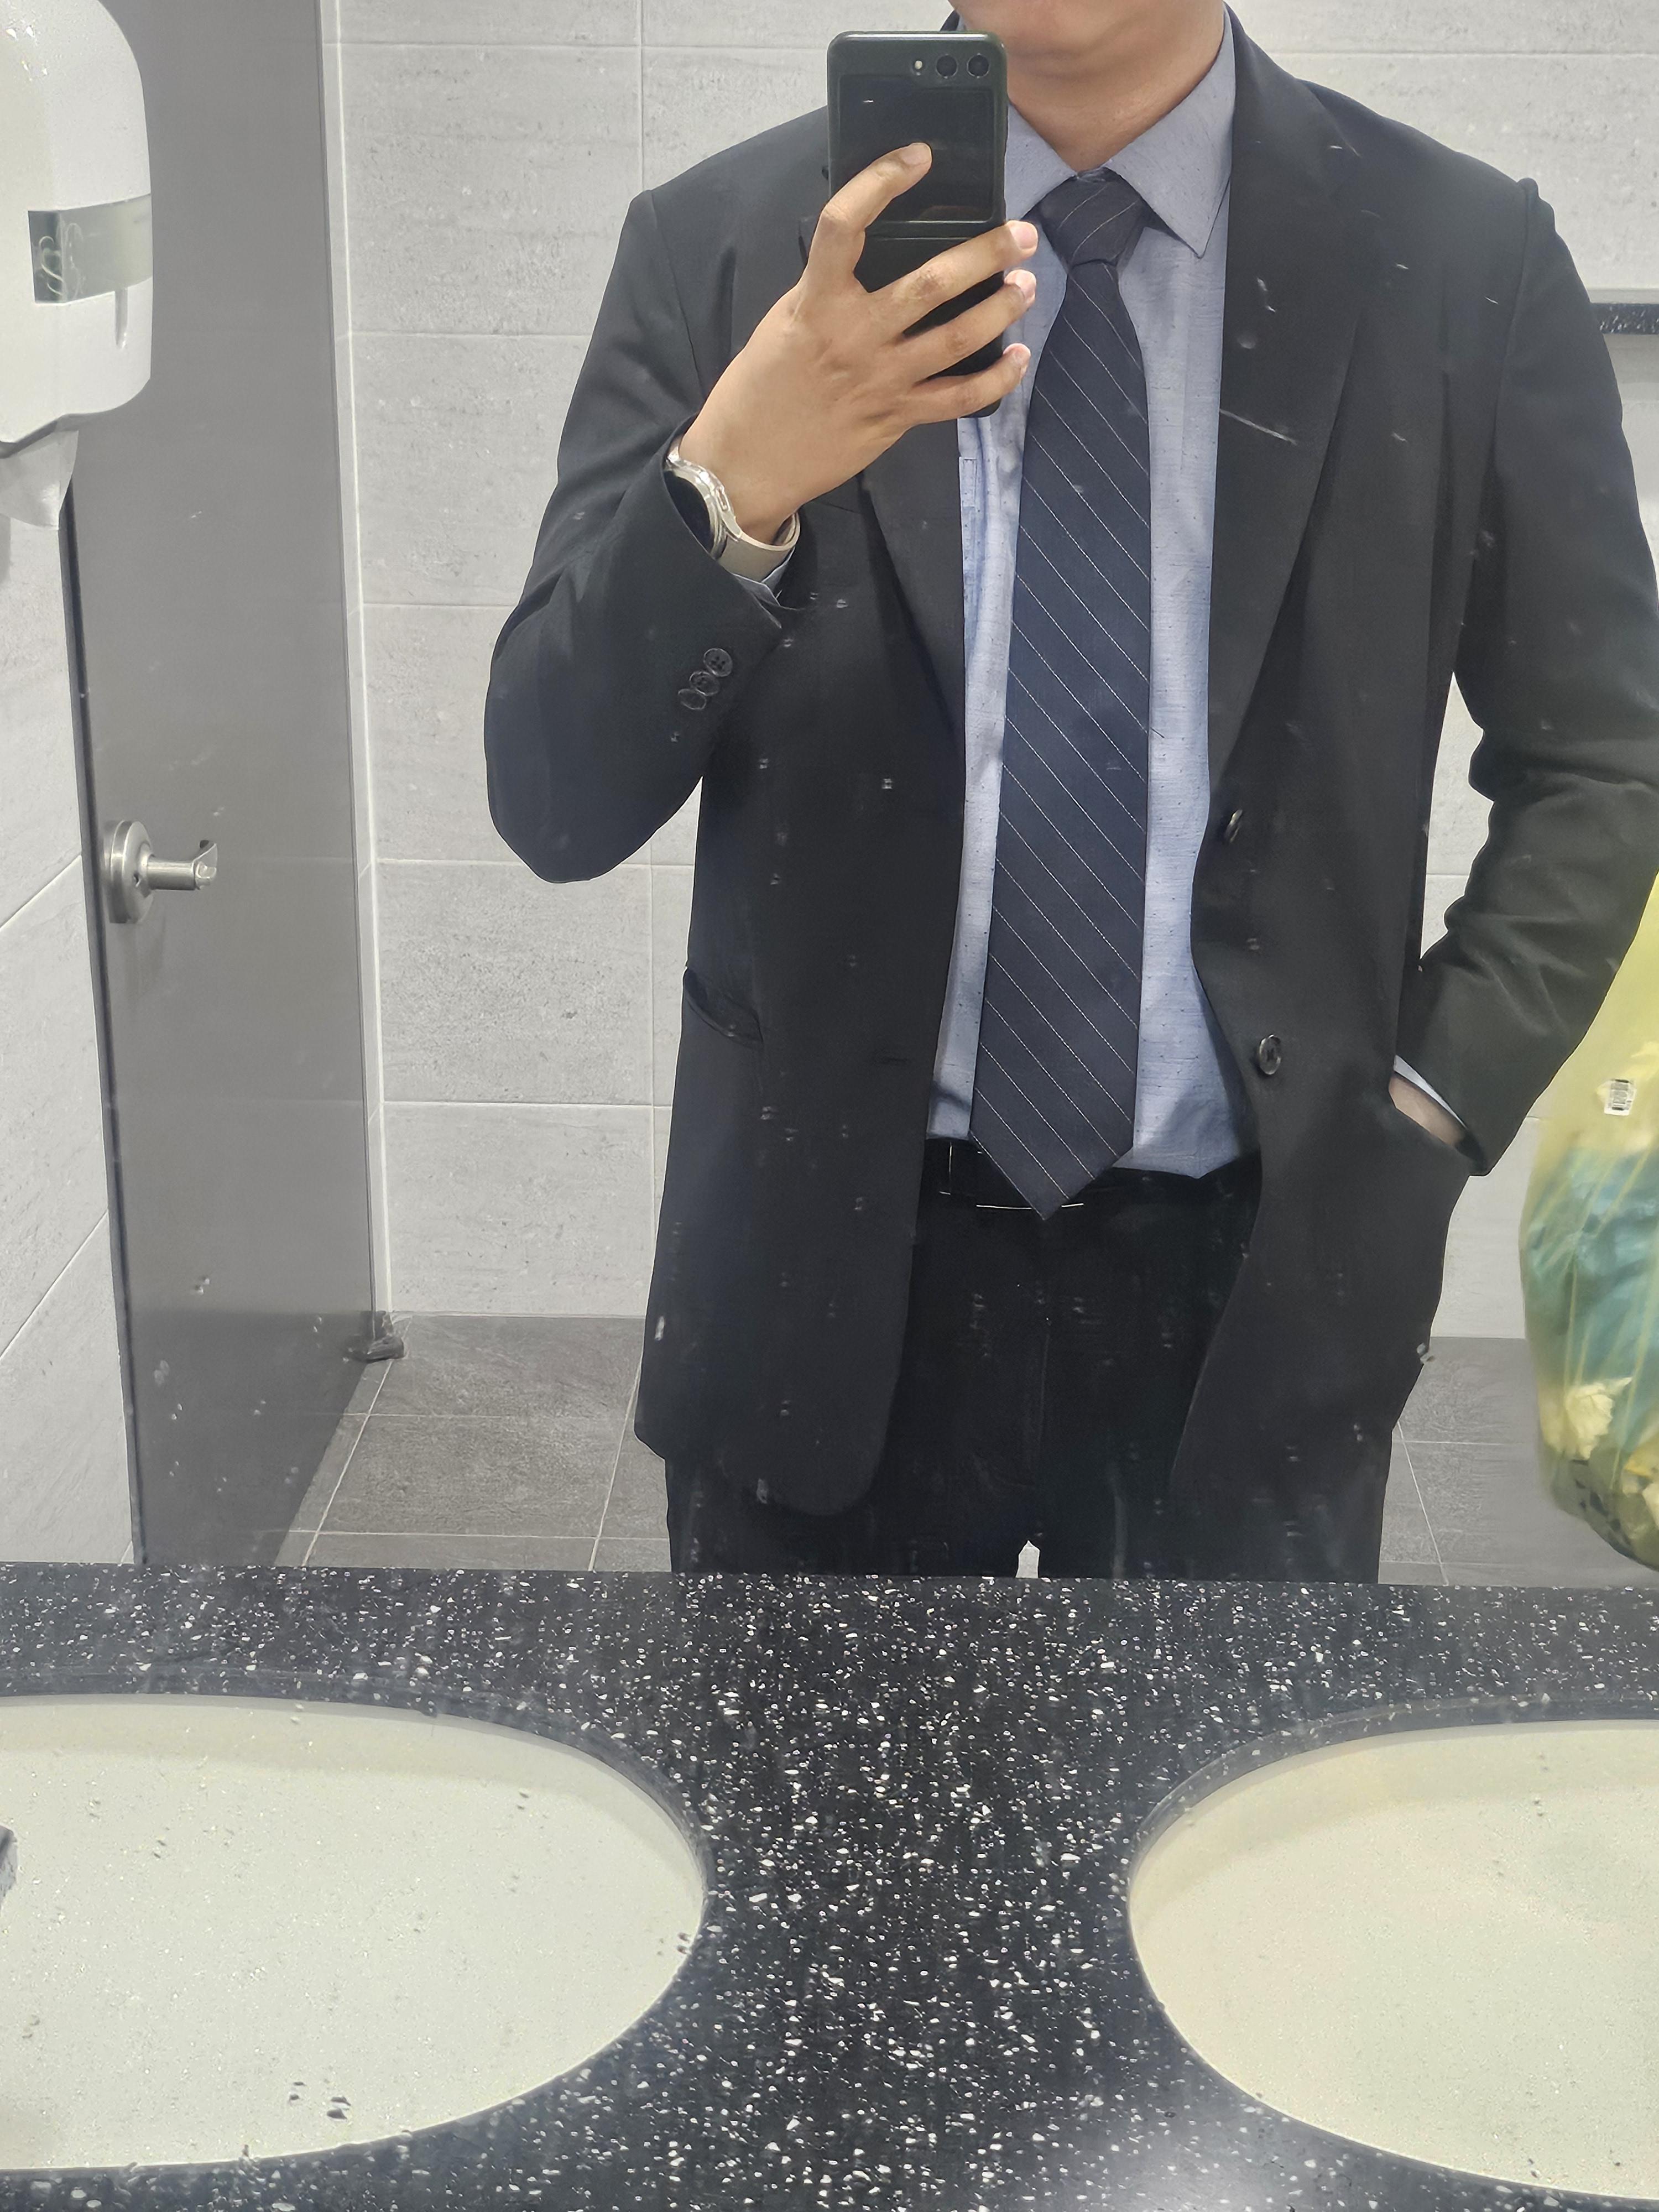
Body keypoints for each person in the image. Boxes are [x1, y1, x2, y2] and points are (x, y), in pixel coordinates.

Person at [484, 1, 1659, 1579]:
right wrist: (735, 483)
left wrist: (1431, 1104)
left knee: (1225, 1757)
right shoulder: (732, 247)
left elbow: (1605, 756)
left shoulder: (1459, 258)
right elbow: (554, 796)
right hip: (820, 1278)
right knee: (816, 1760)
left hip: (1260, 1278)